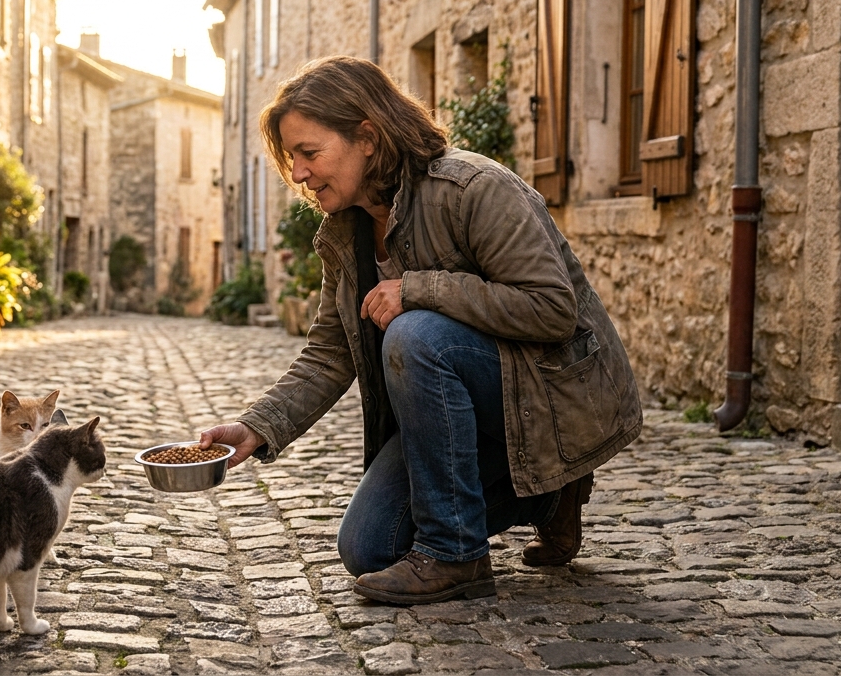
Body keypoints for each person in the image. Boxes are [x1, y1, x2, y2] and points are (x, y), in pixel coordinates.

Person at [198, 56, 641, 605]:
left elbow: (552, 309)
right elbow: (329, 352)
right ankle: (551, 498)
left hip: (547, 398)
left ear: (367, 137)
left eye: (310, 153)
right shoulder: (345, 231)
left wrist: (418, 290)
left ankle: (456, 556)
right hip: (460, 418)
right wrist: (256, 427)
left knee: (415, 335)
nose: (300, 174)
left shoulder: (474, 188)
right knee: (369, 549)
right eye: (292, 159)